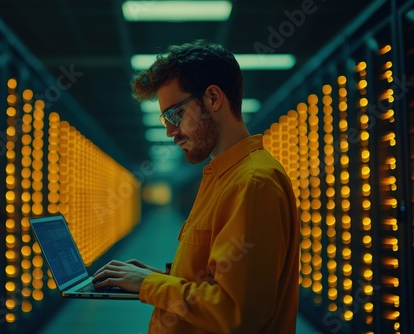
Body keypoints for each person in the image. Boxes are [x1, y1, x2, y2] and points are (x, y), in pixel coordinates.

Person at [93, 40, 300, 334]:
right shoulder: (221, 177)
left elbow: (236, 314)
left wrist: (147, 284)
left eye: (175, 115)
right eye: (165, 119)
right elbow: (217, 277)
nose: (169, 131)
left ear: (213, 98)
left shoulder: (253, 183)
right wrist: (156, 276)